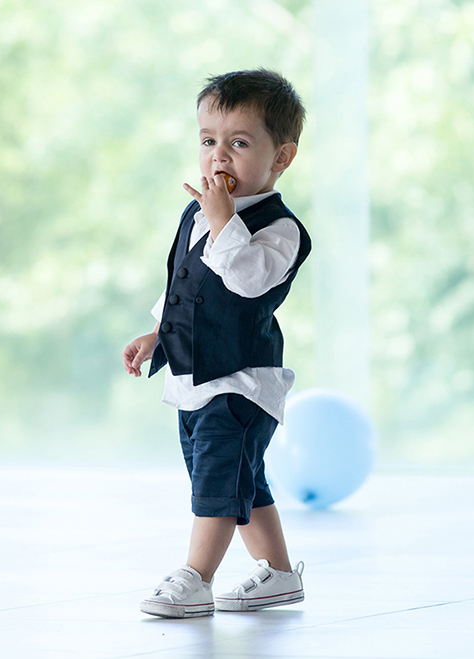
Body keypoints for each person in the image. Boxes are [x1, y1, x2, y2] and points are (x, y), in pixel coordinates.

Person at [122, 69, 311, 618]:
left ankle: (195, 577)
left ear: (282, 157)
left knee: (214, 481)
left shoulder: (281, 228)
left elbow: (248, 281)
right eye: (209, 141)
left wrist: (226, 221)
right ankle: (278, 574)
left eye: (240, 143)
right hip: (193, 376)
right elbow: (184, 282)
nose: (219, 156)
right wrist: (158, 335)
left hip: (242, 382)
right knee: (242, 480)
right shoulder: (195, 213)